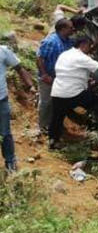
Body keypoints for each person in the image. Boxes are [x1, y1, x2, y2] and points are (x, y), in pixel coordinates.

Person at [48, 37, 98, 150]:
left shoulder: (64, 54)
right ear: (83, 44)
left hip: (57, 92)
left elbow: (71, 72)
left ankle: (53, 141)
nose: (90, 48)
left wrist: (85, 81)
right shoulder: (81, 57)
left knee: (57, 117)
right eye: (89, 45)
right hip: (74, 93)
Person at [36, 18, 75, 133]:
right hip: (48, 77)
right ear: (63, 29)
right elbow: (39, 58)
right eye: (70, 27)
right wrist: (44, 75)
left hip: (60, 78)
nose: (73, 29)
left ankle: (53, 124)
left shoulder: (68, 42)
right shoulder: (51, 41)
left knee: (56, 102)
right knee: (46, 102)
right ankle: (43, 126)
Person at [0, 42, 33, 172]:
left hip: (1, 100)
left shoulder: (3, 51)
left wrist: (30, 85)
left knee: (5, 133)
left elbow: (19, 68)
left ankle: (10, 162)